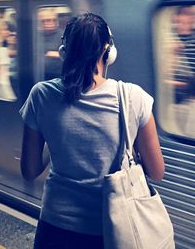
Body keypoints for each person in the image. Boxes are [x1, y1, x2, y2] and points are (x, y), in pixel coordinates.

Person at [19, 13, 164, 248]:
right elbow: (157, 172)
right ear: (108, 54)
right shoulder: (133, 98)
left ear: (64, 51)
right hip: (112, 230)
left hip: (55, 229)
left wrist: (56, 141)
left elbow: (30, 169)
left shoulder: (41, 95)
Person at [167, 5, 195, 104]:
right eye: (185, 14)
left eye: (193, 14)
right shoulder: (168, 37)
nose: (190, 18)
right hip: (173, 95)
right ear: (176, 17)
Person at [38, 8, 63, 80]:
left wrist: (58, 54)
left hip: (59, 76)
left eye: (53, 20)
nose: (50, 22)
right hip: (39, 76)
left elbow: (74, 54)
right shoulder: (35, 36)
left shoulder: (64, 35)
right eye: (44, 21)